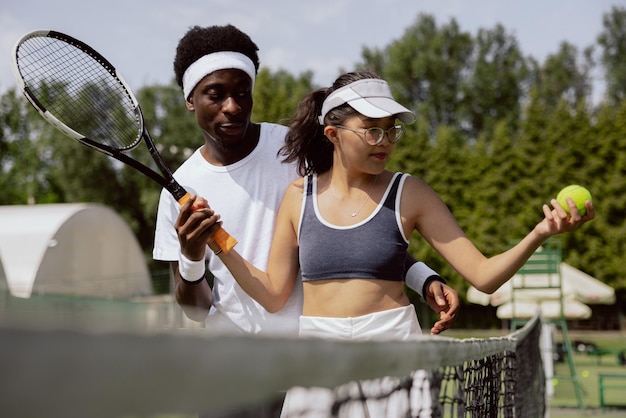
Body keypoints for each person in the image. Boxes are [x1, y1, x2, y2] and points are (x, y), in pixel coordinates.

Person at [198, 70, 595, 416]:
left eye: (392, 128)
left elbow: (484, 276)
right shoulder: (296, 196)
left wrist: (541, 233)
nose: (384, 140)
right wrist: (216, 241)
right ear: (333, 133)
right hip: (317, 359)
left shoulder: (411, 193)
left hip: (396, 351)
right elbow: (272, 294)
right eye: (372, 128)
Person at [153, 24, 460, 339]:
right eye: (215, 95)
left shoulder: (293, 150)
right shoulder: (180, 188)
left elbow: (357, 231)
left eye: (242, 92)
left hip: (313, 351)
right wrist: (191, 256)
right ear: (191, 100)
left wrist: (421, 277)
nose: (232, 106)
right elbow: (196, 309)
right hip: (234, 362)